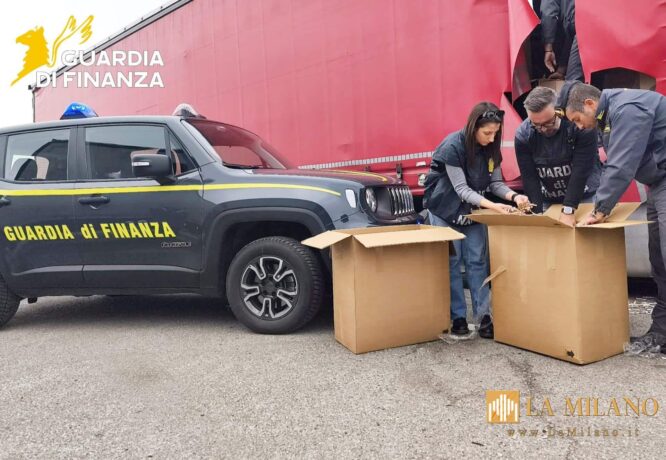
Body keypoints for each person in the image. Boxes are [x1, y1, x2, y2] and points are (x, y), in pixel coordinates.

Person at [558, 81, 666, 349]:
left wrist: (600, 209)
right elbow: (610, 165)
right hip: (657, 184)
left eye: (577, 119)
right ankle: (662, 332)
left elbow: (621, 163)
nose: (578, 126)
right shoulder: (609, 116)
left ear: (589, 104)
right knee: (658, 259)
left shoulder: (628, 109)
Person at [423, 102, 529, 338]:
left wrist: (514, 197)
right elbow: (461, 189)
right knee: (452, 262)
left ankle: (483, 317)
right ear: (474, 128)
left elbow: (496, 184)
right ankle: (458, 317)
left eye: (496, 133)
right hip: (445, 210)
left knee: (477, 261)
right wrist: (494, 206)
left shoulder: (491, 148)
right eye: (487, 133)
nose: (492, 139)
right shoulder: (452, 146)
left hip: (473, 211)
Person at [515, 86, 601, 225]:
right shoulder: (524, 135)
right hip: (549, 199)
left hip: (585, 196)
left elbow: (581, 170)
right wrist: (536, 214)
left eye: (548, 123)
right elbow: (529, 178)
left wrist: (568, 209)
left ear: (559, 111)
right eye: (536, 125)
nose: (543, 129)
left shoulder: (580, 125)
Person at [540, 0, 583, 81]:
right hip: (602, 25)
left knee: (572, 85)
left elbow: (548, 13)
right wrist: (561, 70)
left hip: (583, 27)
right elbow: (572, 33)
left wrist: (548, 49)